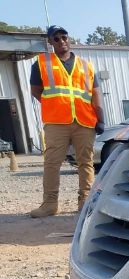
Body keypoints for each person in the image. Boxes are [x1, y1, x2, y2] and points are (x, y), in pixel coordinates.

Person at [29, 25, 104, 218]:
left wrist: (100, 118)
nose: (62, 41)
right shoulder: (41, 63)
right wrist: (55, 105)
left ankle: (85, 202)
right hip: (56, 122)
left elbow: (95, 93)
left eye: (64, 37)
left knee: (85, 162)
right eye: (56, 38)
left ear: (69, 39)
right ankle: (49, 204)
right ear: (50, 42)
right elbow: (36, 90)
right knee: (52, 163)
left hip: (85, 121)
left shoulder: (86, 65)